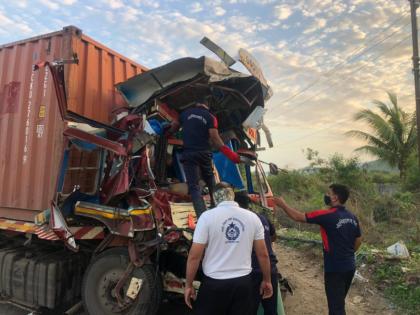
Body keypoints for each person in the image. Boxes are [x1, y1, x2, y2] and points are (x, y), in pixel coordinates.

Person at [185, 182, 273, 315]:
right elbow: (263, 254)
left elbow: (194, 257)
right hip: (243, 284)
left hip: (214, 284)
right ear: (232, 195)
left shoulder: (206, 217)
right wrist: (267, 280)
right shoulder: (253, 218)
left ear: (214, 197)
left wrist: (188, 285)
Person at [274, 184, 362, 315]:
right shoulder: (352, 217)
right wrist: (348, 254)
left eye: (329, 193)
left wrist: (283, 205)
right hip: (350, 266)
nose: (326, 195)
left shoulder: (327, 215)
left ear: (335, 198)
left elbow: (299, 217)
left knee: (336, 308)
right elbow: (359, 240)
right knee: (338, 302)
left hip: (335, 269)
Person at [168, 98, 252, 217]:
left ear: (196, 104)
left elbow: (173, 128)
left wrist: (165, 132)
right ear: (207, 106)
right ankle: (216, 208)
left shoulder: (184, 114)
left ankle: (202, 215)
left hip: (189, 154)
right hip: (204, 154)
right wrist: (232, 155)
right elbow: (215, 139)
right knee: (210, 179)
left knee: (194, 186)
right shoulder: (210, 117)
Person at [235, 193, 279, 315]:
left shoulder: (238, 221)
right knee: (271, 310)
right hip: (270, 269)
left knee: (249, 310)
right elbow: (273, 237)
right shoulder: (262, 218)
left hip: (251, 272)